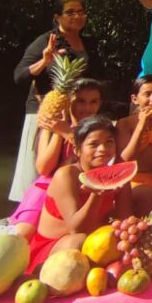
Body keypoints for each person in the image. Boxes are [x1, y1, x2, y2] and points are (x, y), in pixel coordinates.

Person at [10, 0, 102, 202]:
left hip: (78, 112)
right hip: (46, 111)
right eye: (70, 12)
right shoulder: (45, 41)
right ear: (57, 17)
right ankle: (29, 208)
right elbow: (19, 76)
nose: (77, 16)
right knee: (37, 166)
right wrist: (44, 61)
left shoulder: (88, 43)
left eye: (80, 12)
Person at [26, 115, 132, 273]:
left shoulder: (117, 174)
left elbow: (125, 219)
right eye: (93, 144)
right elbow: (77, 229)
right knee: (80, 242)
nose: (103, 149)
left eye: (109, 142)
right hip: (54, 248)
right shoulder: (66, 175)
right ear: (77, 149)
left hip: (94, 241)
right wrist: (97, 194)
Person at [10, 79, 104, 241]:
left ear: (100, 103)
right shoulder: (51, 127)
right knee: (22, 234)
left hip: (82, 190)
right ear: (68, 102)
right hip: (46, 189)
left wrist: (69, 133)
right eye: (80, 101)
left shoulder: (101, 131)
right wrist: (60, 133)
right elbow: (44, 169)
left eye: (93, 102)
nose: (87, 108)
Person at [116, 75, 152, 215]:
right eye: (147, 94)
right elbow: (125, 160)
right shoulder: (125, 123)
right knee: (149, 194)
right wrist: (141, 125)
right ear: (135, 99)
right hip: (129, 180)